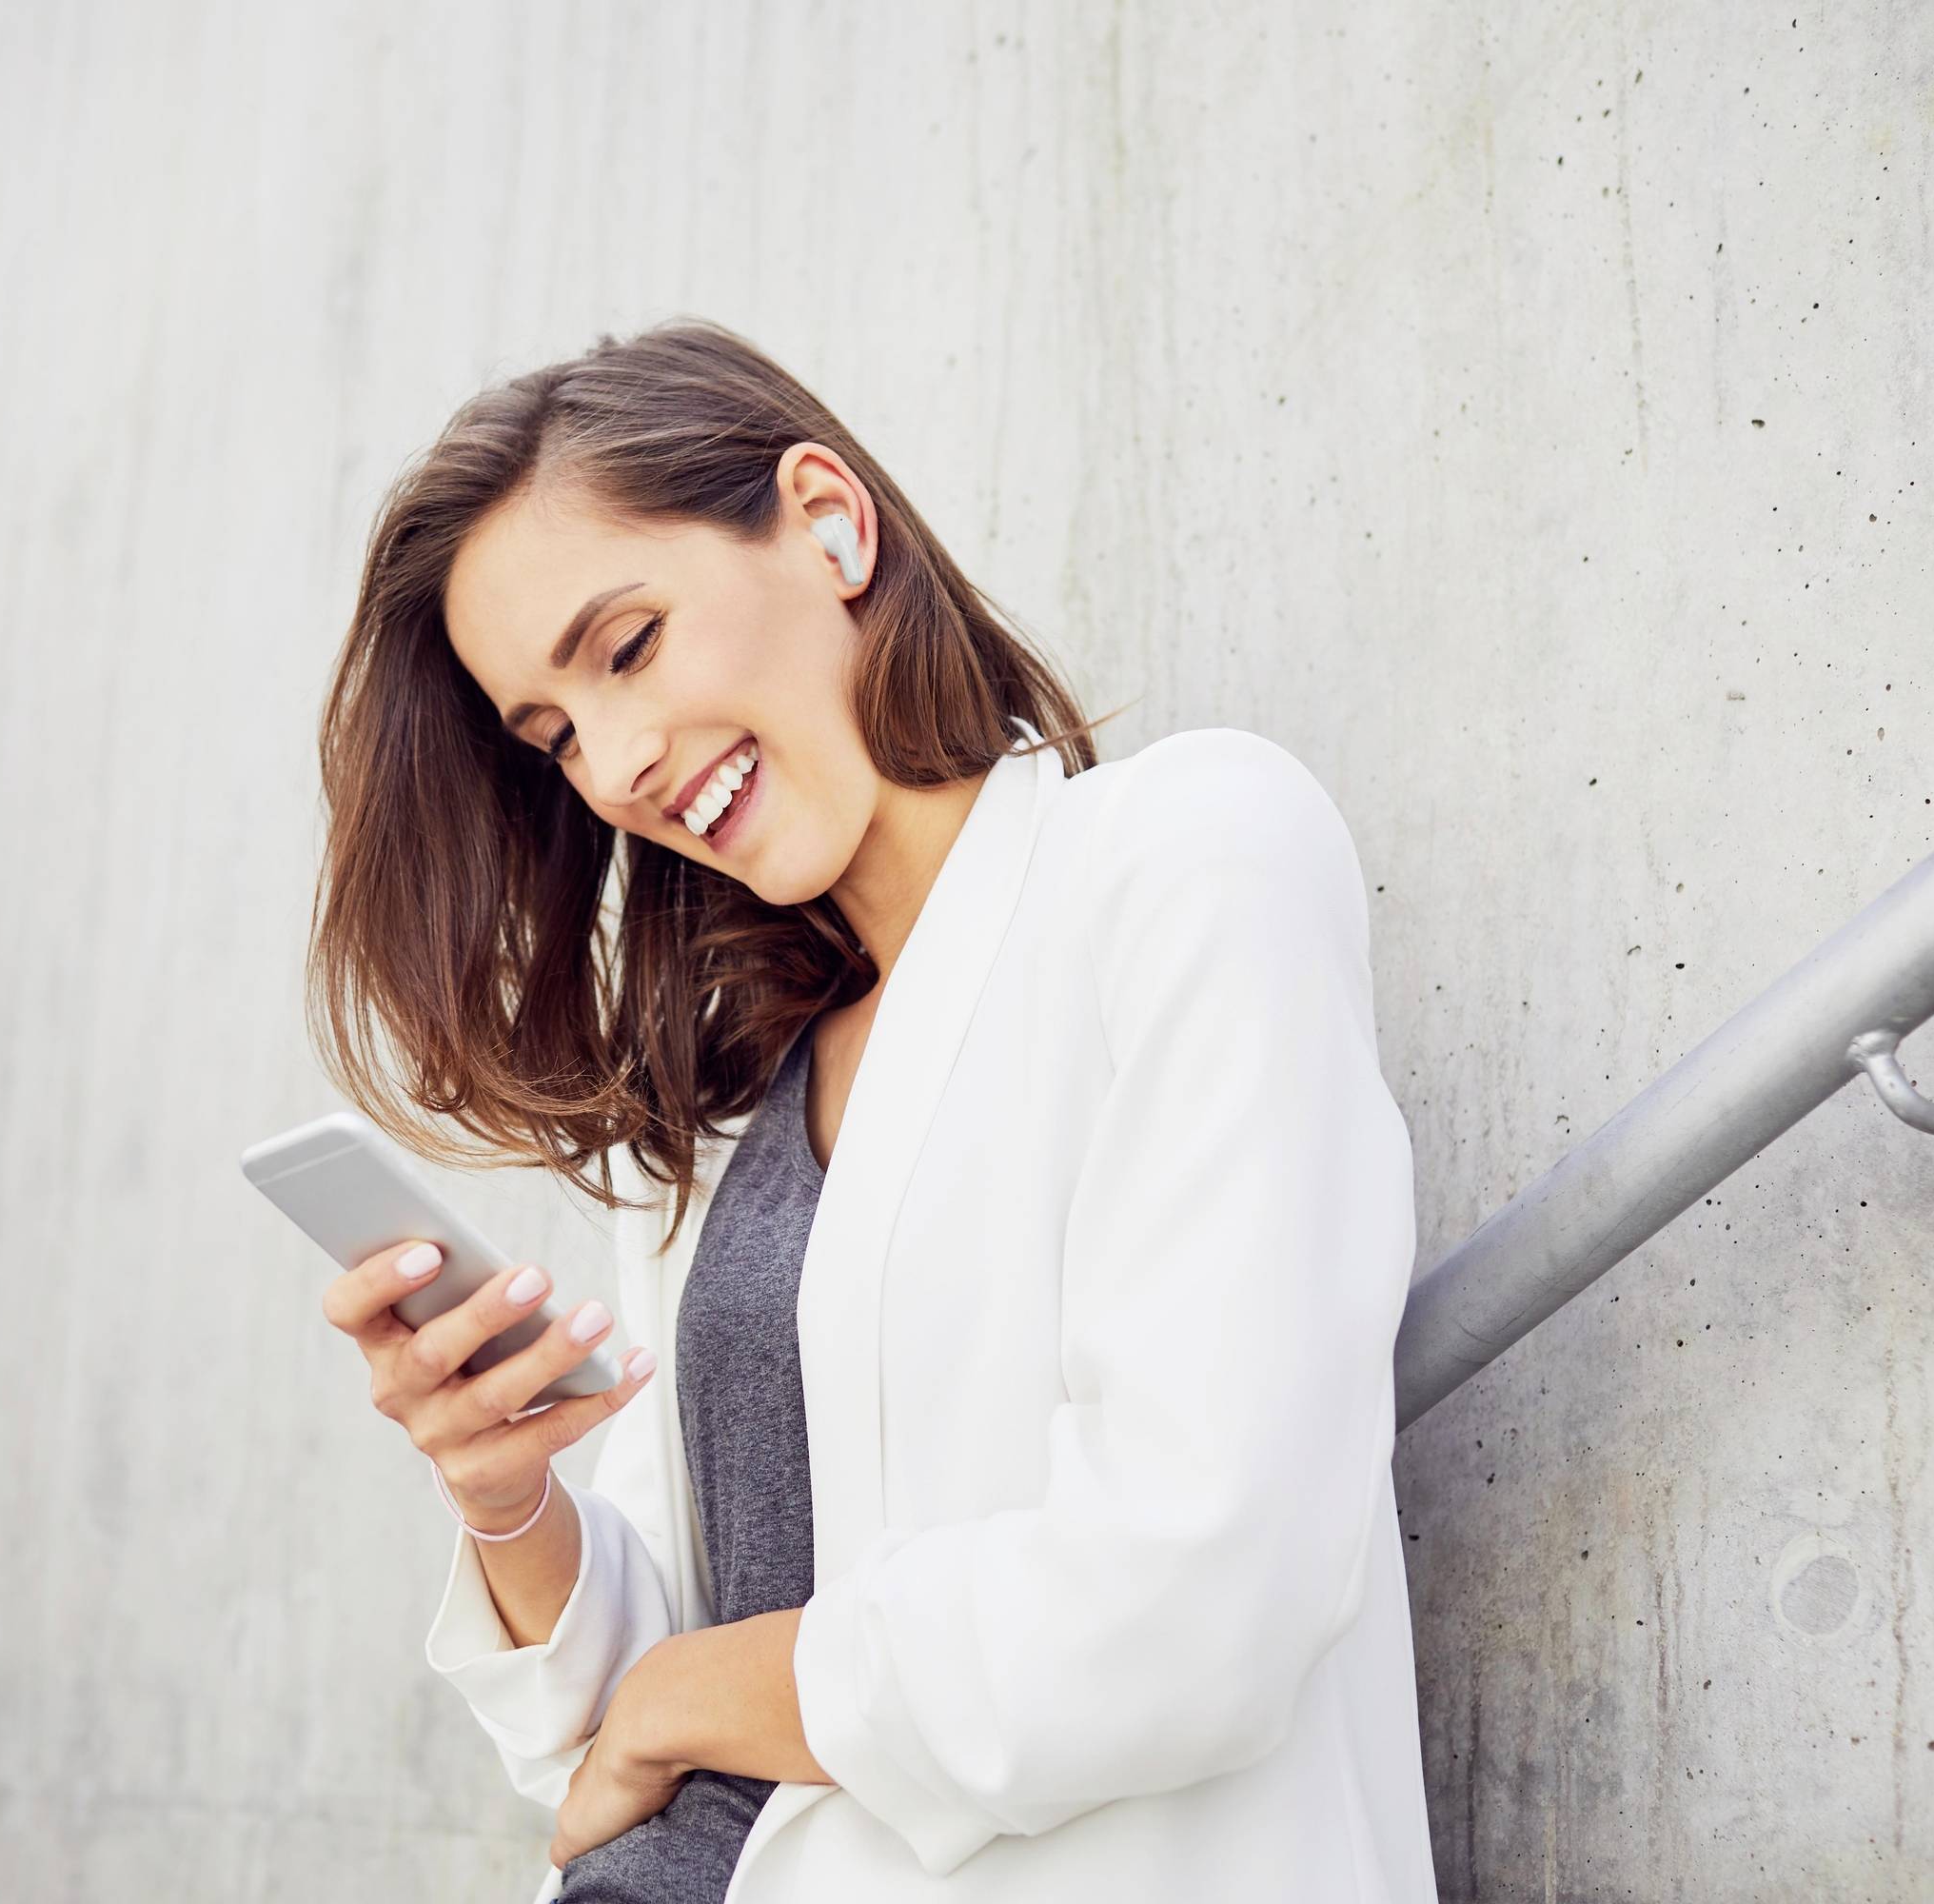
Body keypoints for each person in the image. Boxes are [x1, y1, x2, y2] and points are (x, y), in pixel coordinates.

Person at [306, 317, 1435, 1901]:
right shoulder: (716, 1117)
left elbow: (1204, 1588)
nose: (617, 764)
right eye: (554, 738)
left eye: (627, 648)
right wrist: (508, 1501)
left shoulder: (1186, 857)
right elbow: (616, 1746)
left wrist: (698, 1696)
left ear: (830, 523)